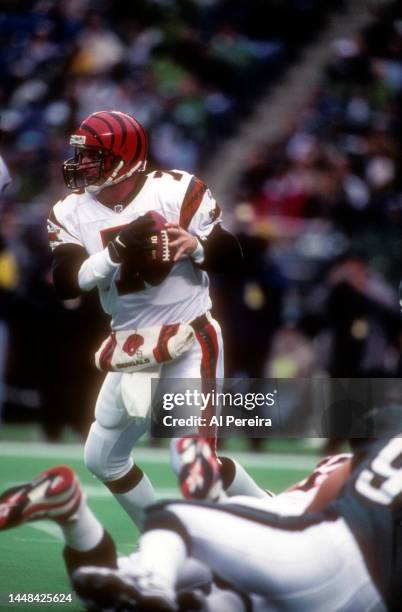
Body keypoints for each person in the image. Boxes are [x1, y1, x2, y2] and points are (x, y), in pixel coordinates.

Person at [46, 110, 262, 530]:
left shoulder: (177, 191)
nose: (82, 164)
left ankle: (271, 514)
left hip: (188, 335)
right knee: (102, 457)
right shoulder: (70, 211)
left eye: (93, 156)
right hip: (132, 346)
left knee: (195, 462)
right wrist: (115, 252)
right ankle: (163, 534)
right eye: (81, 155)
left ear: (124, 158)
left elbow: (232, 256)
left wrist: (196, 246)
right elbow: (68, 283)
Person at [0, 440, 353, 612]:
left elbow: (281, 503)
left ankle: (73, 512)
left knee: (102, 590)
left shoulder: (345, 463)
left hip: (268, 520)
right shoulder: (370, 480)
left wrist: (219, 469)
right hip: (291, 543)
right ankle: (204, 524)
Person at [72, 435, 399, 611]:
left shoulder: (351, 460)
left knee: (172, 518)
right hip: (370, 597)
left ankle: (151, 578)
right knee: (242, 595)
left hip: (300, 538)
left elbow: (327, 489)